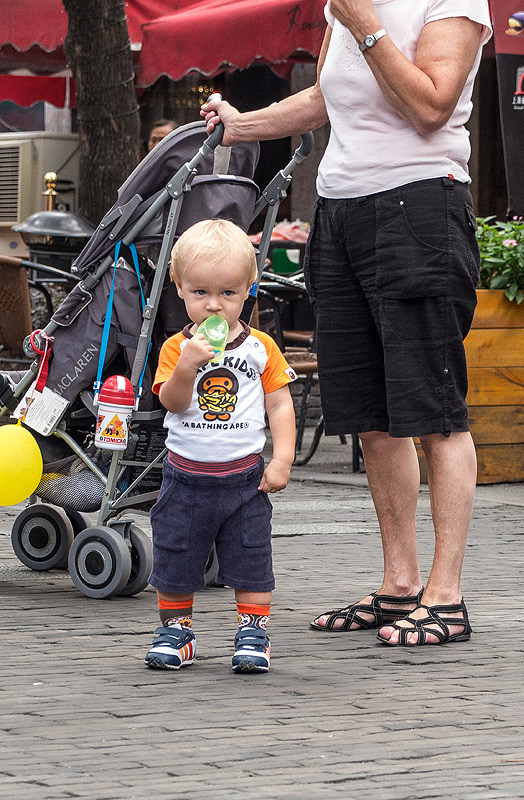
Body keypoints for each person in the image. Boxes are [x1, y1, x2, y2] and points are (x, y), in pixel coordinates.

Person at [202, 0, 492, 647]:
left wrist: (366, 25)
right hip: (339, 212)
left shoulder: (447, 2)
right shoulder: (346, 10)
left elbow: (431, 106)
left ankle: (446, 595)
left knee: (434, 408)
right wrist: (238, 126)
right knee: (368, 414)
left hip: (418, 205)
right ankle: (399, 584)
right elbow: (321, 103)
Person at [144, 218, 296, 673]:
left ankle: (253, 631)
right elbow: (169, 402)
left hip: (245, 477)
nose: (214, 305)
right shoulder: (177, 346)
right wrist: (188, 366)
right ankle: (177, 631)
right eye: (200, 293)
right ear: (179, 287)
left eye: (228, 293)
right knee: (176, 552)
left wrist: (283, 458)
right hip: (185, 475)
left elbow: (280, 405)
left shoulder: (261, 347)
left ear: (249, 288)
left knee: (251, 555)